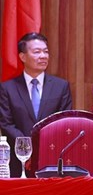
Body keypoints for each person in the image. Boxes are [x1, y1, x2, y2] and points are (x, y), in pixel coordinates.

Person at [0, 32, 73, 177]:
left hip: (52, 159)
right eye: (37, 52)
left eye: (46, 51)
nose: (43, 56)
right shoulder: (7, 88)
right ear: (22, 56)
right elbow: (6, 124)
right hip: (18, 161)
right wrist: (26, 148)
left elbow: (64, 121)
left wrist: (42, 149)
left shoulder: (61, 86)